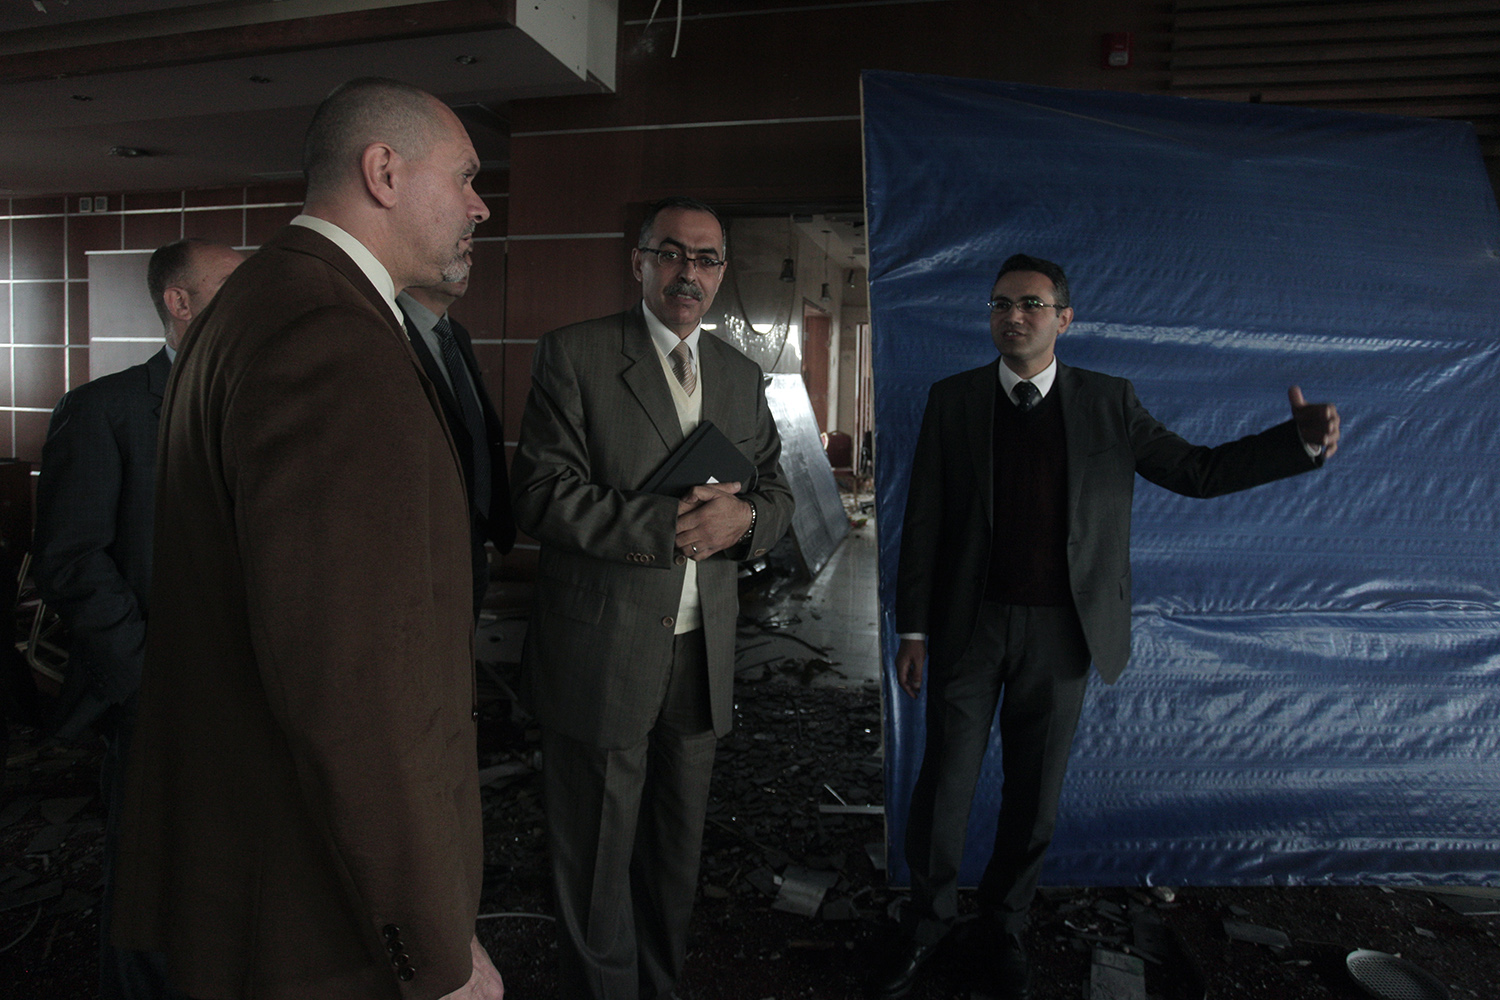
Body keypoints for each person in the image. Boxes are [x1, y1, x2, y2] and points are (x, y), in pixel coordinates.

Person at [110, 77, 504, 1000]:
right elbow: (352, 684)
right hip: (314, 907)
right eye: (466, 175)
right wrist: (434, 948)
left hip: (266, 870)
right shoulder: (330, 333)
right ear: (384, 172)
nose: (481, 205)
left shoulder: (265, 301)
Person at [878, 254, 1341, 1000]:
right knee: (944, 788)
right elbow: (924, 517)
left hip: (1064, 634)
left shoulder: (1108, 401)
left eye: (1031, 304)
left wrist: (1298, 444)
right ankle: (926, 925)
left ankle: (1004, 925)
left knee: (1034, 797)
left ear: (1064, 318)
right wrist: (915, 630)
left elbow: (1197, 472)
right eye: (1000, 304)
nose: (1013, 317)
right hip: (970, 629)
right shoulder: (954, 399)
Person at [511, 196, 794, 1000]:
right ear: (638, 261)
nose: (688, 273)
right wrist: (665, 524)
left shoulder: (740, 374)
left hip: (701, 657)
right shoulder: (576, 354)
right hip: (602, 646)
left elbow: (778, 493)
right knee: (597, 857)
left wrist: (746, 520)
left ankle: (660, 987)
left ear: (722, 273)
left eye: (706, 259)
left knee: (675, 853)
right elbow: (539, 494)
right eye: (671, 253)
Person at [33, 238, 244, 1000]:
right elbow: (71, 560)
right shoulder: (104, 410)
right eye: (229, 287)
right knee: (150, 889)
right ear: (179, 303)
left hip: (254, 690)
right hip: (155, 694)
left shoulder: (262, 401)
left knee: (235, 875)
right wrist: (145, 681)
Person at [399, 268, 515, 616]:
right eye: (457, 248)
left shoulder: (455, 333)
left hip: (472, 534)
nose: (467, 260)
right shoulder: (388, 327)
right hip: (423, 540)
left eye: (469, 253)